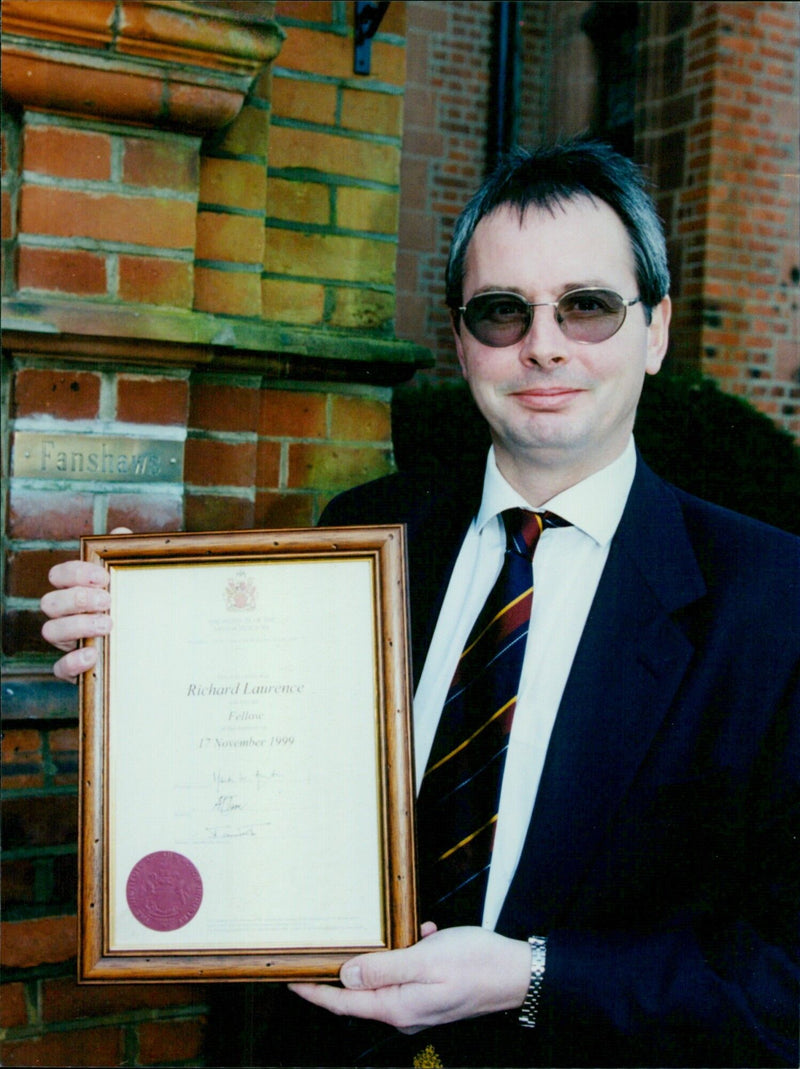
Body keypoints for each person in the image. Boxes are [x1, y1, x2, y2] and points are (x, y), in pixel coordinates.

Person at [41, 139, 799, 1069]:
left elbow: (782, 979)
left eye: (589, 306)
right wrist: (142, 666)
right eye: (501, 311)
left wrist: (530, 977)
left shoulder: (772, 604)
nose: (544, 344)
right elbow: (253, 782)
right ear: (461, 338)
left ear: (657, 330)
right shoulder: (357, 540)